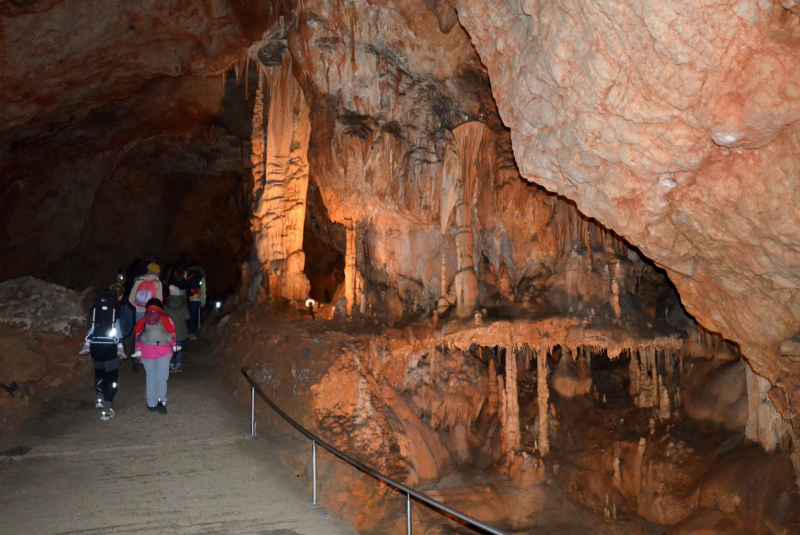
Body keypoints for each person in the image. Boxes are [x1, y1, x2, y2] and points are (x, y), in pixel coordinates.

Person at [78, 288, 127, 421]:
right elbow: (118, 332)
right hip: (110, 348)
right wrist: (120, 347)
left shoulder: (95, 312)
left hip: (96, 347)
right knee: (111, 379)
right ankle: (106, 410)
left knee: (99, 373)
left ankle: (99, 399)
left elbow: (91, 329)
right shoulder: (114, 312)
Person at [132, 298, 176, 414]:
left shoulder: (145, 318)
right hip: (163, 350)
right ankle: (161, 402)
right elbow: (172, 335)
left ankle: (151, 404)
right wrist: (172, 352)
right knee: (162, 378)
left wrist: (139, 354)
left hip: (147, 350)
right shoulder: (167, 319)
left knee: (150, 377)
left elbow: (138, 335)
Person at [163, 285, 189, 373]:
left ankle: (170, 365)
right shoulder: (183, 304)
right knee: (178, 347)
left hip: (169, 330)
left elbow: (163, 317)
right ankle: (178, 365)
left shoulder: (166, 304)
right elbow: (187, 317)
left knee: (169, 347)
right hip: (180, 330)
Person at [185, 264, 206, 340]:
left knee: (185, 315)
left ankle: (183, 332)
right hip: (196, 299)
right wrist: (203, 301)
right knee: (193, 316)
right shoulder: (201, 277)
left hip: (186, 298)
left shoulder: (186, 274)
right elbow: (203, 291)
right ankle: (191, 333)